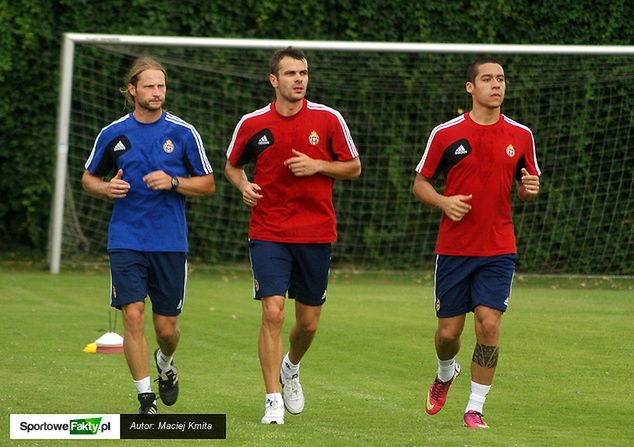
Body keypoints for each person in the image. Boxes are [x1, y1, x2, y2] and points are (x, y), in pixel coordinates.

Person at [224, 47, 361, 425]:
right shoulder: (252, 123)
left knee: (309, 323)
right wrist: (243, 185)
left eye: (303, 73)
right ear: (274, 80)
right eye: (290, 73)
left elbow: (354, 167)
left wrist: (318, 164)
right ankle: (272, 400)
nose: (298, 79)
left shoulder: (328, 119)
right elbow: (232, 167)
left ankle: (291, 367)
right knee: (272, 312)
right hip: (268, 231)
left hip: (316, 232)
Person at [412, 57, 541, 428]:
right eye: (487, 79)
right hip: (453, 250)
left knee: (488, 324)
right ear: (471, 87)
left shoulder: (521, 135)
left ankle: (475, 407)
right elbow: (420, 183)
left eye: (501, 79)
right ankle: (444, 372)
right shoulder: (446, 133)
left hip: (499, 248)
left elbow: (526, 187)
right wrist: (443, 201)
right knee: (448, 334)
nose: (496, 85)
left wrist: (529, 189)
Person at [82, 57, 215, 414]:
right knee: (133, 315)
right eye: (150, 86)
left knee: (166, 328)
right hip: (126, 239)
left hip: (170, 242)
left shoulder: (184, 133)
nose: (157, 93)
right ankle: (145, 400)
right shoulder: (113, 134)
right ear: (132, 90)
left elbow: (208, 184)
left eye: (162, 86)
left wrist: (174, 182)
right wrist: (106, 188)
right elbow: (89, 178)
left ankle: (166, 364)